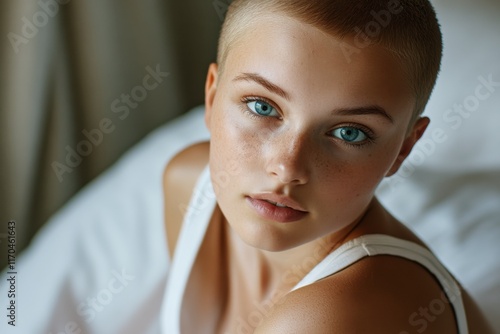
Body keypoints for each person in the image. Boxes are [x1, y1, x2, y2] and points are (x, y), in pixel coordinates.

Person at [160, 0, 493, 333]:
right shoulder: (187, 184)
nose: (287, 167)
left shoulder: (333, 316)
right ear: (212, 97)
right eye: (262, 107)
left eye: (349, 133)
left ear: (403, 149)